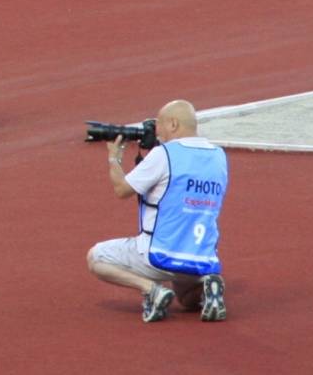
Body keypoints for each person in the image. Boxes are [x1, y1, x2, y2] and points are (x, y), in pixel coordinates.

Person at [91, 100, 229, 323]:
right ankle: (206, 284)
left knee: (96, 257)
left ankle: (150, 289)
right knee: (186, 300)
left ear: (173, 124)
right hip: (201, 255)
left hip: (160, 255)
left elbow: (122, 190)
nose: (157, 131)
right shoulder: (219, 157)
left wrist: (113, 158)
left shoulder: (165, 154)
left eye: (159, 124)